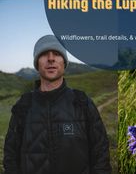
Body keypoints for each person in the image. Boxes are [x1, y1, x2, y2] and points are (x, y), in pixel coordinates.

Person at [3, 35, 112, 174]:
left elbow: (101, 152)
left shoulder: (82, 102)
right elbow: (10, 156)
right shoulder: (24, 105)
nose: (51, 58)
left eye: (57, 53)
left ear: (64, 62)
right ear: (37, 63)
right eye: (43, 54)